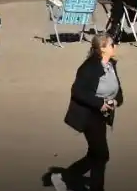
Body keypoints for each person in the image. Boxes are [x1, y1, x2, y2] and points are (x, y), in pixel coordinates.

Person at [51, 33, 123, 191]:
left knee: (96, 154)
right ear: (103, 48)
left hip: (102, 116)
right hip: (88, 115)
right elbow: (77, 91)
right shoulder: (89, 67)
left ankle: (64, 176)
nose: (115, 46)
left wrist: (115, 101)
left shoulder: (111, 65)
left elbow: (118, 91)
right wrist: (100, 104)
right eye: (112, 44)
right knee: (101, 154)